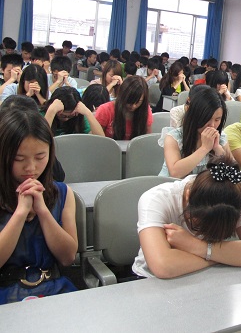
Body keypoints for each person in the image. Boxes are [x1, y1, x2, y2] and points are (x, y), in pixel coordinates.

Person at [133, 162, 241, 279]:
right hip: (153, 281)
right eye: (198, 225)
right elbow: (163, 266)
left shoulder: (235, 195)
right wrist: (225, 257)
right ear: (188, 196)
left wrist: (195, 246)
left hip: (216, 276)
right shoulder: (155, 199)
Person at [0, 109, 78, 303]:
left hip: (53, 288)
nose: (31, 168)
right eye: (19, 159)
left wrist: (43, 211)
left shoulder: (62, 193)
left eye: (40, 156)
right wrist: (20, 213)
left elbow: (68, 257)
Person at [159, 87, 232, 178]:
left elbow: (233, 174)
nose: (212, 125)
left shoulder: (220, 137)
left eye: (217, 119)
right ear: (195, 116)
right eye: (207, 119)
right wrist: (205, 148)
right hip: (173, 185)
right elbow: (175, 173)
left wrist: (217, 149)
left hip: (204, 186)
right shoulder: (174, 137)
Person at [94, 76, 152, 140]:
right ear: (122, 96)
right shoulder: (105, 110)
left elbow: (146, 139)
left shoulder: (145, 110)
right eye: (130, 101)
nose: (133, 106)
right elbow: (97, 139)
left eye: (138, 102)